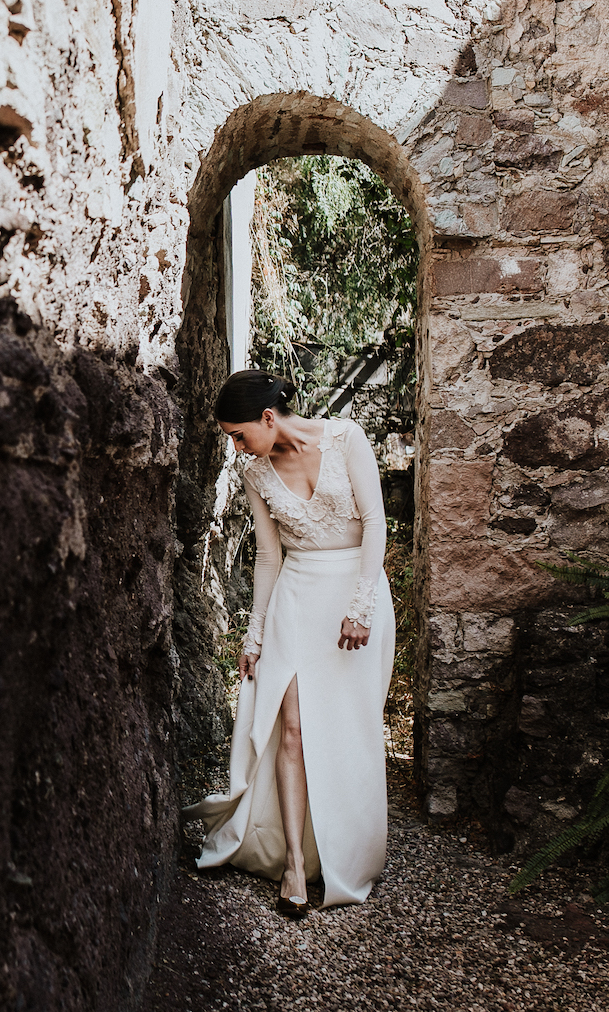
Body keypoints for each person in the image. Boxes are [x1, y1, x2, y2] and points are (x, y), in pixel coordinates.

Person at [182, 369, 395, 917]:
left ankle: (350, 849)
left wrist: (360, 607)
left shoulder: (347, 438)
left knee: (350, 727)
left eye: (237, 434)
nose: (235, 447)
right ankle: (296, 865)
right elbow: (269, 557)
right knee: (292, 727)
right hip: (297, 599)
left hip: (357, 595)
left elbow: (375, 524)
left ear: (268, 418)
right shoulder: (256, 471)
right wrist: (254, 637)